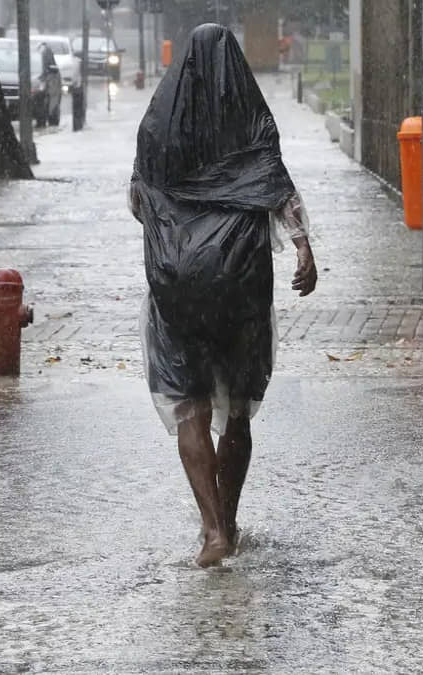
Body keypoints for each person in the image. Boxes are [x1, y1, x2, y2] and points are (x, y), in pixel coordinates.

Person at [130, 24, 318, 568]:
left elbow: (138, 202)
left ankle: (213, 532)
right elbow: (279, 189)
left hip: (179, 286)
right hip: (240, 283)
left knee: (189, 405)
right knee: (236, 412)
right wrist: (304, 250)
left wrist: (182, 226)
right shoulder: (250, 119)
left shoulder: (159, 126)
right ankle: (230, 520)